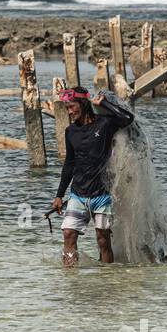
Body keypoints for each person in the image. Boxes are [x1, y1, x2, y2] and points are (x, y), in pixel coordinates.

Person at [50, 87, 135, 266]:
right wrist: (59, 195)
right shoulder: (71, 131)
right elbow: (69, 164)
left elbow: (128, 118)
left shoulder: (104, 124)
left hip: (102, 195)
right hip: (78, 194)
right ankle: (71, 278)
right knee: (68, 234)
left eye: (72, 106)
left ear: (83, 104)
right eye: (67, 108)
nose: (70, 111)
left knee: (103, 239)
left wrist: (103, 103)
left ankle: (106, 276)